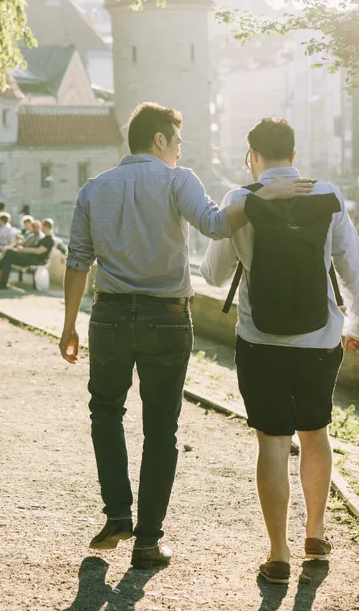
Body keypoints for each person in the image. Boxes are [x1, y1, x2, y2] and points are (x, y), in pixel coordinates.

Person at [61, 102, 311, 569]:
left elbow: (78, 259)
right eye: (177, 141)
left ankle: (117, 514)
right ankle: (148, 543)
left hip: (110, 316)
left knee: (105, 413)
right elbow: (218, 224)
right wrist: (263, 197)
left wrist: (69, 324)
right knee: (161, 429)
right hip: (166, 317)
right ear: (159, 140)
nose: (180, 150)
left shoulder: (95, 188)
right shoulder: (179, 180)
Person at [200, 117, 359, 584]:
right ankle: (314, 534)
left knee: (273, 442)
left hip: (261, 342)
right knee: (314, 431)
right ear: (294, 157)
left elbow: (213, 275)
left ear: (253, 157)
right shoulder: (327, 195)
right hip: (319, 340)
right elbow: (354, 266)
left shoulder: (241, 200)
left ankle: (278, 554)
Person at [0, 218, 56, 288]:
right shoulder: (45, 238)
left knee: (9, 254)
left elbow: (38, 251)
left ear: (45, 227)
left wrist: (23, 249)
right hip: (33, 258)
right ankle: (2, 282)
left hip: (37, 260)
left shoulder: (49, 240)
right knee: (9, 256)